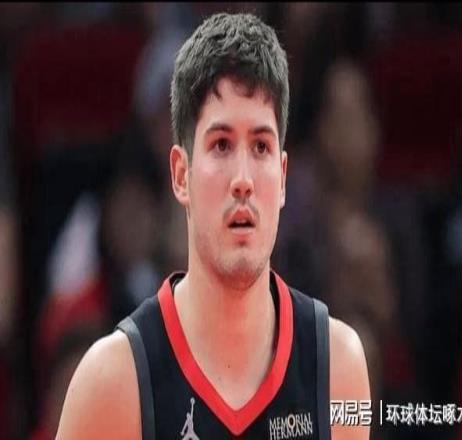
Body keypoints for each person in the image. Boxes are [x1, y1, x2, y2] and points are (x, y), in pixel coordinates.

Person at [56, 12, 370, 439]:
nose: (242, 179)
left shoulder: (337, 366)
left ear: (282, 178)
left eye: (260, 146)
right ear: (180, 174)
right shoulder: (112, 381)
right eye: (221, 145)